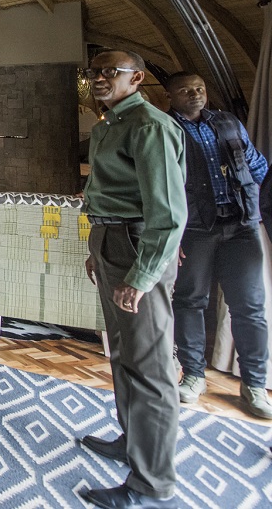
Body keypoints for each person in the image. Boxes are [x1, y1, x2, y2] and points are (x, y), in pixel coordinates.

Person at [78, 50, 186, 509]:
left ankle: (152, 485)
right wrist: (97, 251)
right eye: (94, 72)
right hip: (111, 242)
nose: (99, 78)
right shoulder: (109, 124)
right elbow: (108, 195)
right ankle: (132, 443)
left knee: (151, 368)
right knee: (123, 354)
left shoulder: (149, 126)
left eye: (110, 72)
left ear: (136, 78)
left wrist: (141, 277)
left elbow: (168, 213)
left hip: (138, 246)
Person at [165, 72, 271, 419]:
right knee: (190, 301)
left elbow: (256, 164)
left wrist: (263, 204)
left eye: (199, 89)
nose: (195, 94)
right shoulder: (165, 129)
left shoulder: (227, 122)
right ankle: (193, 375)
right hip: (195, 229)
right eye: (185, 90)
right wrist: (170, 235)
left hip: (241, 225)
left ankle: (255, 384)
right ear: (170, 96)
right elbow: (158, 186)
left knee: (250, 306)